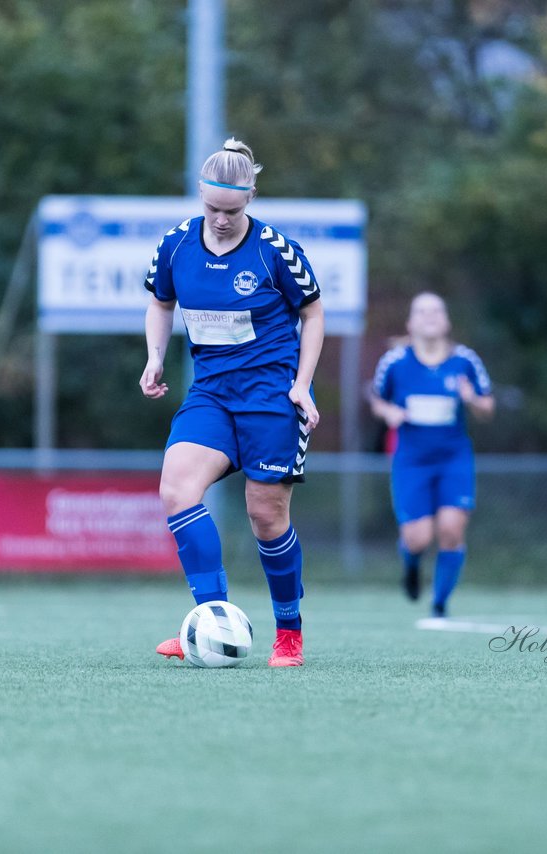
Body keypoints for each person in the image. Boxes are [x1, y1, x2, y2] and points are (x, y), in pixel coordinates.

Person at [139, 137, 323, 667]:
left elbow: (313, 314)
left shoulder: (274, 251)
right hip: (212, 394)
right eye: (212, 209)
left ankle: (289, 635)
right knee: (176, 488)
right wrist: (154, 357)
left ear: (251, 198)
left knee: (265, 517)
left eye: (233, 210)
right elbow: (159, 301)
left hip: (270, 396)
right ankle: (212, 621)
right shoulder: (175, 246)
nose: (221, 220)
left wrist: (301, 384)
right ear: (200, 197)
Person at [369, 292, 494, 619]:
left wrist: (473, 400)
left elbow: (487, 406)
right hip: (411, 460)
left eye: (436, 310)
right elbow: (375, 398)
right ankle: (410, 565)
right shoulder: (395, 362)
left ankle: (440, 604)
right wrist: (388, 412)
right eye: (421, 311)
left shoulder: (465, 360)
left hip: (453, 458)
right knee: (417, 537)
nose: (429, 316)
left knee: (452, 529)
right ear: (410, 323)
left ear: (447, 321)